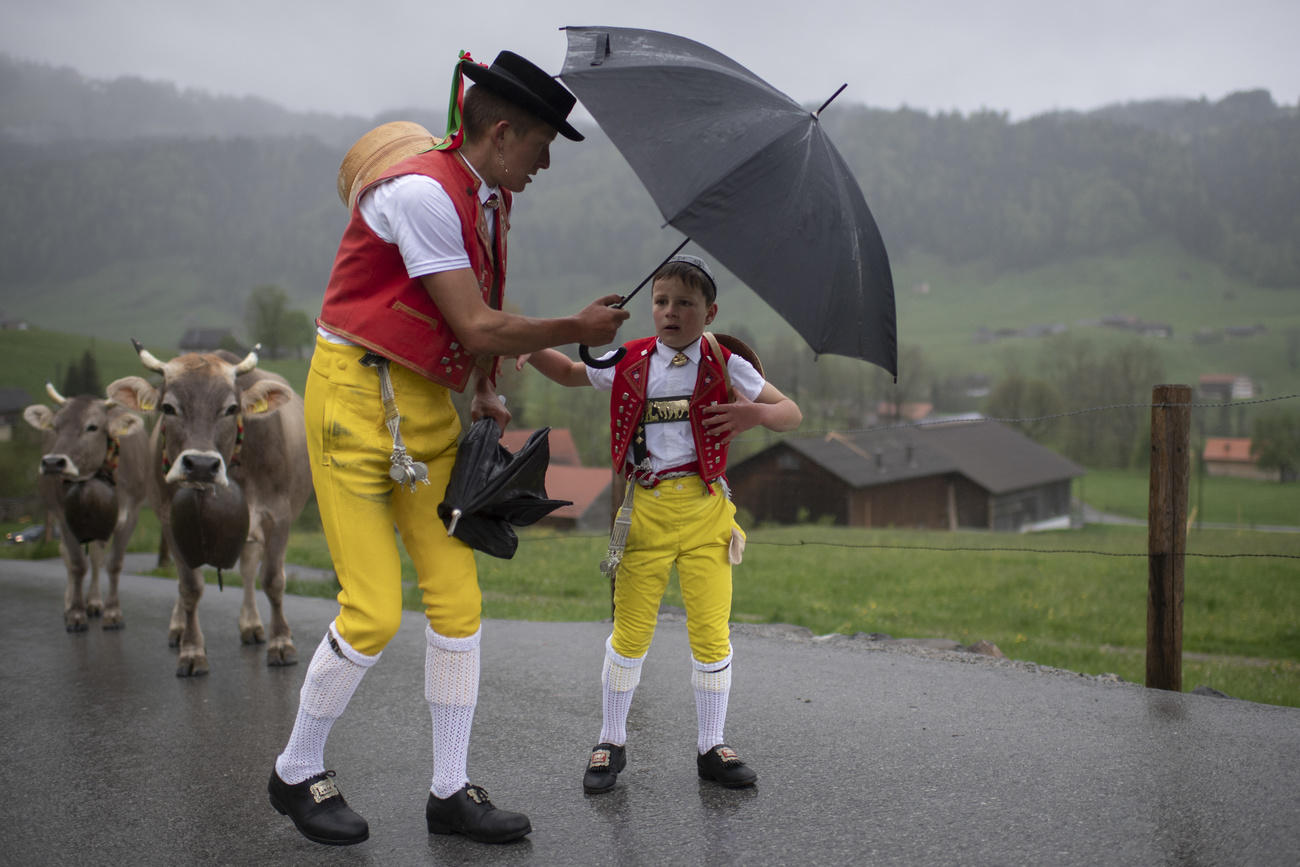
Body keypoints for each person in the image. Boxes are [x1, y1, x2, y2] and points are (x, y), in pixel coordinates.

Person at [267, 50, 629, 847]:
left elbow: (470, 310)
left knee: (458, 600)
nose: (543, 166)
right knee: (372, 609)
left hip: (424, 407)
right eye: (540, 147)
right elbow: (474, 321)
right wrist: (575, 327)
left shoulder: (488, 199)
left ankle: (449, 790)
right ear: (501, 134)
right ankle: (296, 767)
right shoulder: (424, 194)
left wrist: (485, 384)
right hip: (353, 402)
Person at [522, 254, 802, 793]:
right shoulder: (630, 360)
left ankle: (712, 745)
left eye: (685, 304)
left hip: (705, 512)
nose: (671, 312)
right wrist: (529, 345)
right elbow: (570, 373)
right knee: (629, 633)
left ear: (710, 312)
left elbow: (791, 412)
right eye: (661, 301)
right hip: (644, 512)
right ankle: (610, 740)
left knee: (712, 633)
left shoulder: (724, 361)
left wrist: (756, 414)